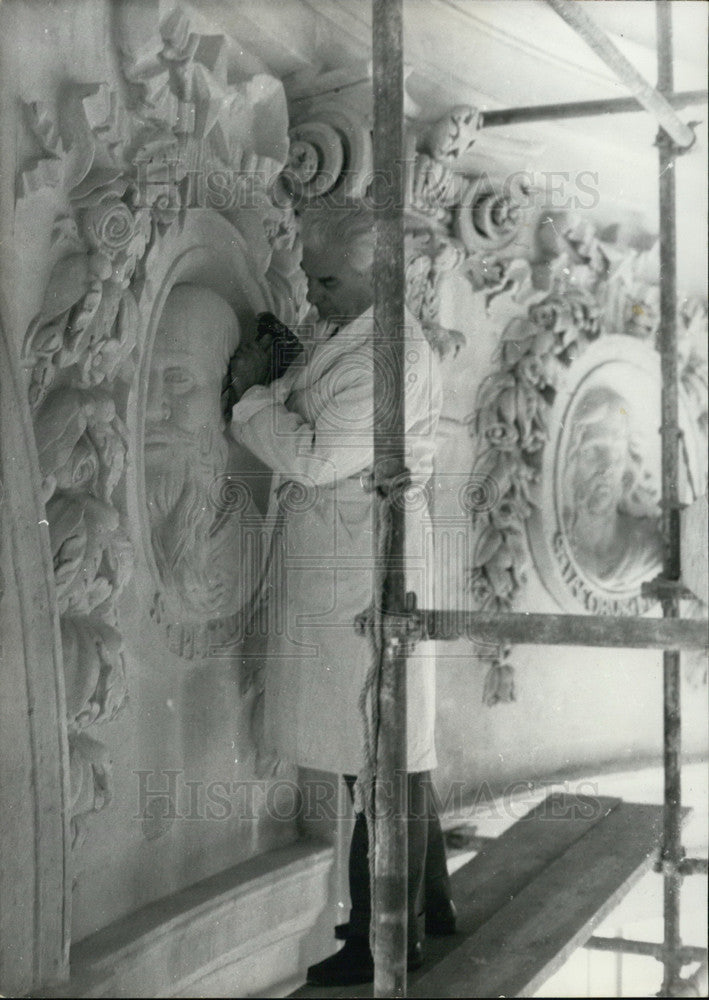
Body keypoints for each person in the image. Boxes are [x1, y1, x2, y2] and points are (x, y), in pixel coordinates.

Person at [228, 203, 455, 986]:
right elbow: (324, 393)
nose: (313, 293)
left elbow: (318, 457)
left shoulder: (389, 355)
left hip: (369, 564)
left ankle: (380, 940)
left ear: (375, 273)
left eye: (325, 280)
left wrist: (250, 401)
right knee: (389, 746)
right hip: (359, 556)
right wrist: (289, 359)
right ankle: (424, 912)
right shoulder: (361, 334)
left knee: (376, 753)